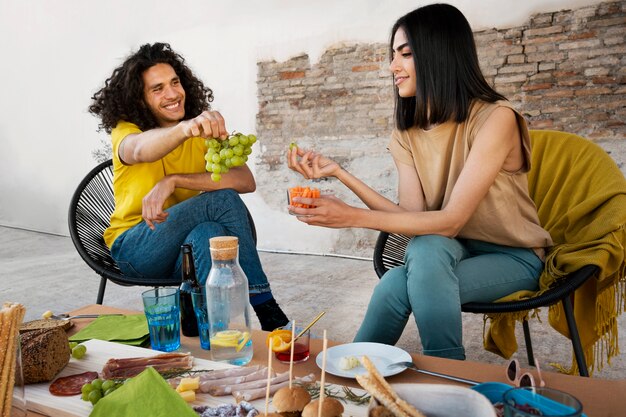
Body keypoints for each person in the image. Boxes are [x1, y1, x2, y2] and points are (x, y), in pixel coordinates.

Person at [287, 4, 552, 360]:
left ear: (440, 54)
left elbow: (452, 220)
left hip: (512, 257)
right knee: (423, 250)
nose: (392, 67)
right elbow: (410, 216)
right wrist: (340, 173)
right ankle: (356, 375)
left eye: (406, 54)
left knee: (401, 280)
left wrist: (351, 216)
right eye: (392, 55)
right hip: (447, 251)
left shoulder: (496, 118)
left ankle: (375, 372)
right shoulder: (407, 131)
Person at [88, 42, 289, 331]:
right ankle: (267, 308)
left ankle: (203, 324)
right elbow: (140, 150)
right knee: (220, 200)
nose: (172, 94)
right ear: (139, 98)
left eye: (174, 82)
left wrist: (174, 181)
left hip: (182, 254)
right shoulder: (127, 130)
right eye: (157, 89)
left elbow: (245, 180)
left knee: (212, 233)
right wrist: (184, 128)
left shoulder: (197, 135)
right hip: (136, 247)